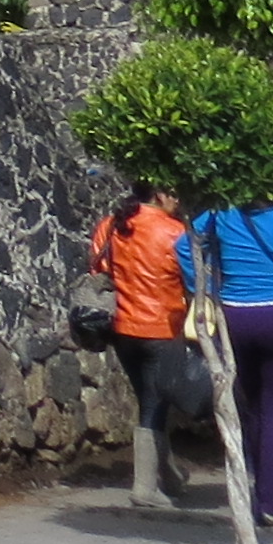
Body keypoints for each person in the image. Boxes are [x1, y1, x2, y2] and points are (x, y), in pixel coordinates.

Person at [185, 190, 273, 531]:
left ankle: (260, 490)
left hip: (235, 316)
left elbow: (184, 246)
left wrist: (205, 289)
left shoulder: (221, 215)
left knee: (254, 408)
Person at [92, 186, 189, 507]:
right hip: (161, 327)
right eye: (173, 193)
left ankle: (170, 475)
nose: (178, 200)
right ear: (159, 194)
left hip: (121, 328)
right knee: (155, 403)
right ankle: (145, 488)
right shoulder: (175, 231)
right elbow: (191, 279)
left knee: (149, 399)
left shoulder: (110, 225)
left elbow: (98, 270)